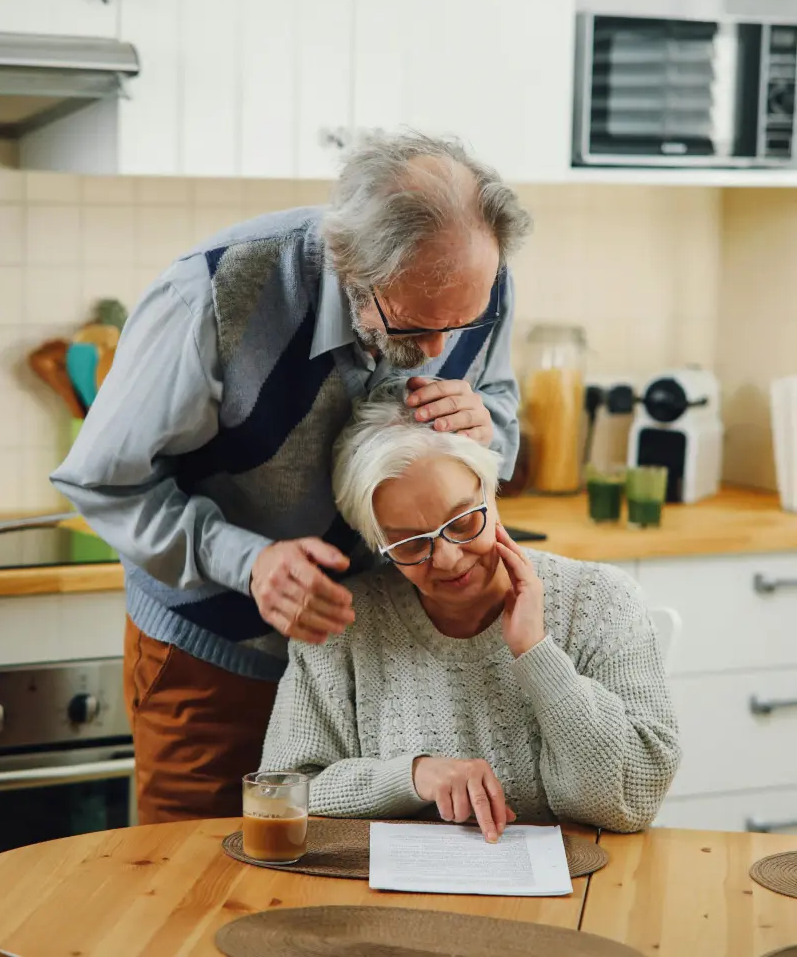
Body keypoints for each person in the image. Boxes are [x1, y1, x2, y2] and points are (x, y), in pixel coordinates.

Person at [50, 133, 531, 825]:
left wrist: (485, 423)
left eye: (461, 324)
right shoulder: (214, 295)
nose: (438, 351)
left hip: (387, 663)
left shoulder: (473, 283)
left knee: (356, 899)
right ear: (349, 264)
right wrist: (250, 562)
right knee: (195, 890)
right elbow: (104, 482)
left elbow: (502, 423)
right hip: (217, 661)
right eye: (416, 325)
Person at [260, 383, 681, 837]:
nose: (447, 558)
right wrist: (412, 777)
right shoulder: (342, 623)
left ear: (492, 490)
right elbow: (282, 794)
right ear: (376, 542)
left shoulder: (602, 601)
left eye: (463, 522)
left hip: (577, 895)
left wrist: (537, 654)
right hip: (389, 899)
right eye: (409, 544)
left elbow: (634, 799)